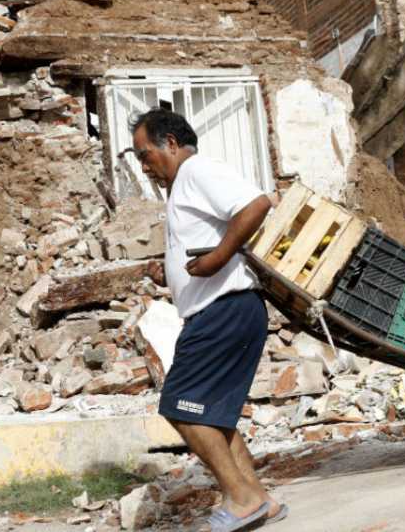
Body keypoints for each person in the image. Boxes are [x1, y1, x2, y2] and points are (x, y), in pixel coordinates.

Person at [128, 108, 287, 531]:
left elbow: (255, 204)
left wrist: (219, 256)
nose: (145, 168)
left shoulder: (196, 170)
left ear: (172, 144)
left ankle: (242, 498)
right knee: (214, 414)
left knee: (180, 404)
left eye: (145, 155)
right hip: (221, 310)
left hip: (223, 308)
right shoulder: (184, 184)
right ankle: (259, 500)